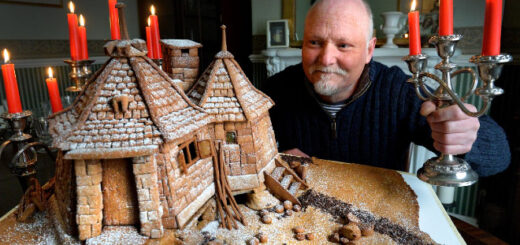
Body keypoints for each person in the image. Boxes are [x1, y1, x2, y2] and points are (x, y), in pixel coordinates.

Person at [262, 0, 510, 176]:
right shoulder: (274, 91)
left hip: (378, 223)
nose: (326, 59)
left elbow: (500, 158)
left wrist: (468, 136)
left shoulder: (400, 90)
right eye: (314, 42)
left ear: (369, 50)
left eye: (344, 45)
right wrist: (270, 160)